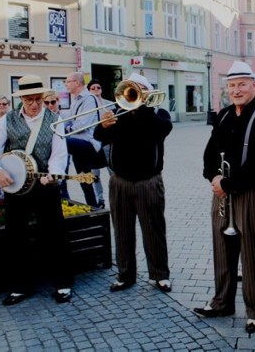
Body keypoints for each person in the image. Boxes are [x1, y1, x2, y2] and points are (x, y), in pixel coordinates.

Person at [195, 61, 255, 334]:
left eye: (242, 84)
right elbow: (210, 153)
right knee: (222, 246)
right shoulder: (223, 115)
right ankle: (222, 302)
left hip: (251, 191)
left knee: (253, 250)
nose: (236, 90)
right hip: (223, 189)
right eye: (232, 86)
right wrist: (214, 177)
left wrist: (229, 183)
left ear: (254, 86)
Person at [0, 74, 74, 306]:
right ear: (21, 98)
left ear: (44, 98)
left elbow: (59, 153)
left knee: (54, 232)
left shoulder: (54, 119)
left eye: (38, 99)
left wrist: (53, 174)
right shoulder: (8, 119)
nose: (34, 105)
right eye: (28, 100)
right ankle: (20, 286)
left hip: (45, 185)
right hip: (15, 187)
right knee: (16, 235)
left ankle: (63, 283)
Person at [93, 73, 173, 294]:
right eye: (130, 89)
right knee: (122, 230)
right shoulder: (117, 114)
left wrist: (141, 108)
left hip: (149, 181)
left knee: (154, 230)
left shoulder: (158, 113)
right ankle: (125, 275)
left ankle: (160, 275)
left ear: (147, 92)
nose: (132, 93)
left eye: (137, 89)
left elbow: (162, 130)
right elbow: (99, 136)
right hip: (119, 181)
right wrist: (105, 125)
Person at [63, 72, 100, 207]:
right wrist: (64, 126)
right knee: (84, 180)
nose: (66, 84)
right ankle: (93, 207)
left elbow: (83, 124)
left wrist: (66, 130)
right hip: (77, 144)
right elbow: (68, 121)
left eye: (68, 81)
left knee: (60, 143)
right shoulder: (76, 99)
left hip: (88, 143)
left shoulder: (89, 98)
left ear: (77, 83)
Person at [88, 79, 113, 209]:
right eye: (93, 88)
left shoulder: (109, 104)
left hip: (107, 143)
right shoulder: (87, 107)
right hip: (93, 143)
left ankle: (115, 197)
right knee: (95, 175)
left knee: (112, 172)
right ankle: (100, 200)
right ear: (89, 91)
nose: (96, 90)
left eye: (98, 87)